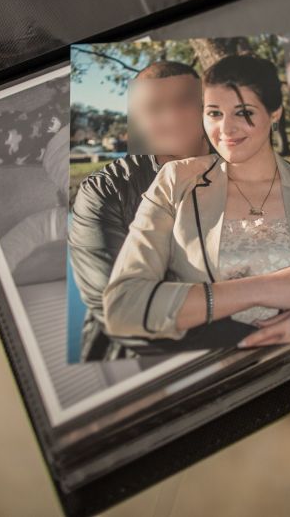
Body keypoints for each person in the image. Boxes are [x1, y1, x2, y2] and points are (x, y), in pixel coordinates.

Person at [103, 54, 290, 350]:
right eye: (215, 113)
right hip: (218, 370)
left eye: (243, 112)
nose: (226, 129)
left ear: (274, 113)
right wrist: (261, 289)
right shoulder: (176, 181)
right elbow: (123, 306)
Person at [68, 60, 211, 361]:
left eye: (184, 102)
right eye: (155, 107)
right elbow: (116, 307)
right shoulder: (104, 191)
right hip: (133, 360)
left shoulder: (248, 168)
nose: (172, 116)